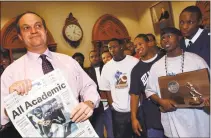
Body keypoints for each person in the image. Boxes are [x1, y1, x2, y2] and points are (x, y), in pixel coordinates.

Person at [1, 11, 100, 137]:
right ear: (20, 36)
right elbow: (2, 117)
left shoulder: (69, 61)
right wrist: (12, 101)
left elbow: (88, 86)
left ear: (45, 31)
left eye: (38, 26)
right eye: (26, 28)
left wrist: (89, 103)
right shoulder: (10, 73)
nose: (34, 31)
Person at [145, 27, 209, 137]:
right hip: (173, 120)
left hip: (198, 119)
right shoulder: (156, 66)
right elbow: (150, 91)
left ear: (179, 38)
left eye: (169, 36)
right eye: (163, 38)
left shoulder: (196, 60)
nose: (165, 40)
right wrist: (161, 101)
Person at [100, 38, 139, 138]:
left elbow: (141, 84)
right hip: (118, 112)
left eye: (114, 47)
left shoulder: (134, 61)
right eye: (110, 48)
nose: (112, 50)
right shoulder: (107, 67)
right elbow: (106, 88)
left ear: (121, 47)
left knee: (140, 134)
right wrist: (112, 104)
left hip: (137, 108)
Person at [130, 34, 164, 138]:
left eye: (140, 44)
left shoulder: (163, 59)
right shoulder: (136, 70)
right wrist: (134, 118)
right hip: (152, 114)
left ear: (149, 43)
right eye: (135, 46)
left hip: (171, 110)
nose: (138, 48)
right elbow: (134, 95)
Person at [85, 50, 104, 138]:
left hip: (110, 103)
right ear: (89, 59)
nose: (94, 58)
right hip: (97, 106)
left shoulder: (105, 68)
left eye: (96, 56)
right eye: (92, 57)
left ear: (99, 57)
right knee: (98, 131)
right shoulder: (86, 72)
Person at [101, 50, 114, 138]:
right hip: (107, 103)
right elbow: (103, 90)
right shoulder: (104, 70)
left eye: (108, 57)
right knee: (110, 125)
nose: (106, 59)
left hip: (119, 102)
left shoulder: (116, 67)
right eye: (103, 58)